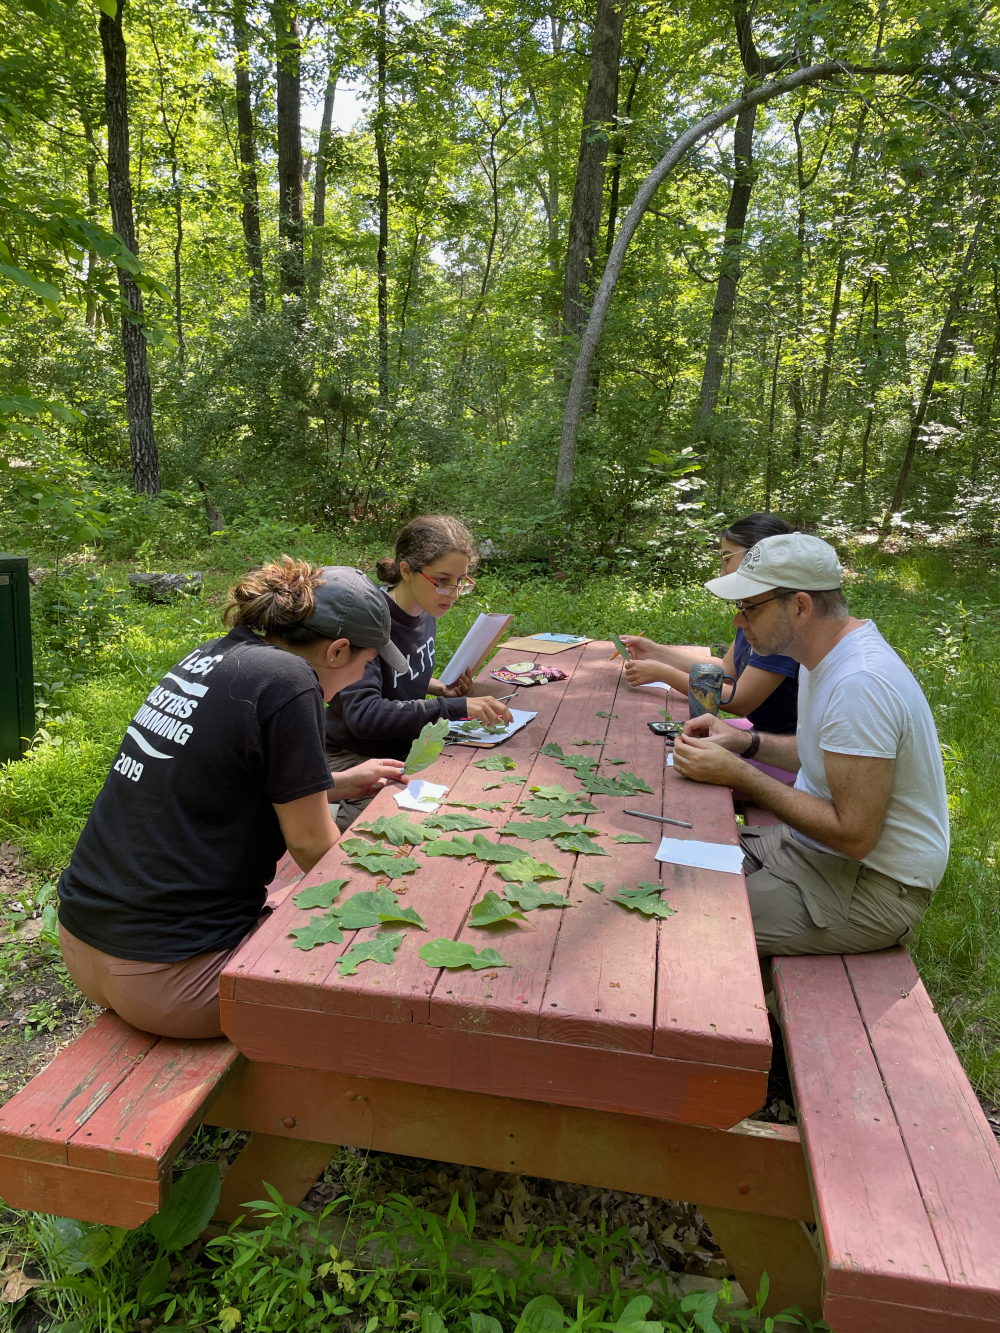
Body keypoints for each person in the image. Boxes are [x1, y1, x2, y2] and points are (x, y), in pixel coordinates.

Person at [57, 559, 410, 1040]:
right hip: (178, 981)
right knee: (379, 951)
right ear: (338, 650)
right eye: (367, 664)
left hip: (85, 946)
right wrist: (398, 900)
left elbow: (214, 776)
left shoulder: (218, 656)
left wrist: (334, 782)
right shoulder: (291, 681)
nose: (361, 677)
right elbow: (311, 846)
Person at [672, 532, 950, 959]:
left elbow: (854, 836)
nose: (738, 623)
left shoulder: (860, 683)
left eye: (749, 608)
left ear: (800, 606)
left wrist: (737, 773)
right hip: (807, 848)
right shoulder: (824, 657)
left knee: (683, 924)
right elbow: (815, 752)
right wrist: (741, 742)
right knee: (670, 867)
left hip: (873, 883)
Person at [325, 514, 513, 830]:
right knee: (385, 830)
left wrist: (439, 688)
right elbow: (363, 715)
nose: (451, 593)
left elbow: (401, 677)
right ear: (406, 570)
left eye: (460, 581)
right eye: (441, 581)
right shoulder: (368, 623)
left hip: (403, 746)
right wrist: (457, 707)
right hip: (353, 755)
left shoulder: (425, 613)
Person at [619, 514, 800, 787]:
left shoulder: (777, 625)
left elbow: (737, 701)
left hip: (784, 751)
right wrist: (658, 651)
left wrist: (663, 673)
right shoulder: (752, 609)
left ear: (759, 555)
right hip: (760, 734)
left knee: (665, 773)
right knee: (651, 743)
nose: (722, 571)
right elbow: (724, 670)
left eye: (727, 559)